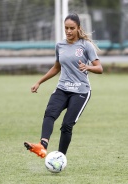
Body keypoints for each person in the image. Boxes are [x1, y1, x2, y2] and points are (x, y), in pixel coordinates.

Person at [24, 13, 103, 158]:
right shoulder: (60, 45)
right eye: (66, 28)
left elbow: (99, 68)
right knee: (49, 114)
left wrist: (88, 67)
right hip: (62, 88)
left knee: (66, 125)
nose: (68, 31)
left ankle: (60, 157)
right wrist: (39, 82)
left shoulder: (86, 46)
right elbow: (56, 67)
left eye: (71, 28)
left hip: (80, 91)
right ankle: (42, 147)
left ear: (78, 28)